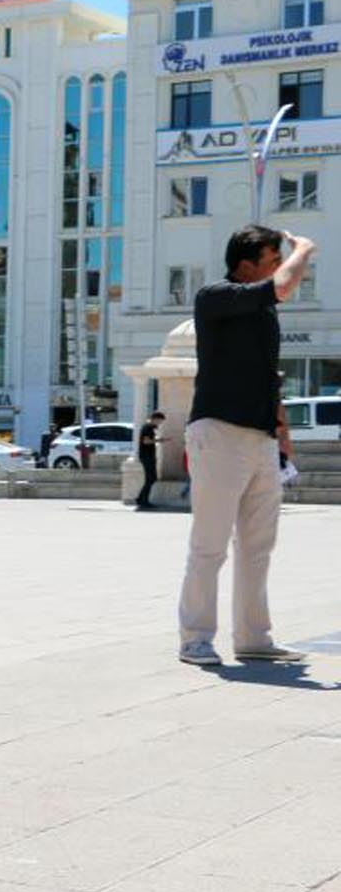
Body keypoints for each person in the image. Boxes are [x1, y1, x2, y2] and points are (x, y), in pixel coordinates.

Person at [176, 225, 316, 667]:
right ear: (246, 263)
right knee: (210, 543)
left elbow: (269, 379)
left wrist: (283, 440)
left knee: (258, 545)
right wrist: (305, 250)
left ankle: (254, 637)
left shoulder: (264, 314)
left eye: (281, 258)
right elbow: (284, 285)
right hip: (218, 432)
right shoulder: (215, 296)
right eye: (272, 258)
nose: (279, 266)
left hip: (260, 439)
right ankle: (195, 639)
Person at [135, 411, 163, 510]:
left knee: (151, 478)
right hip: (147, 456)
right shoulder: (147, 428)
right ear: (155, 419)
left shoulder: (150, 428)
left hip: (149, 455)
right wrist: (159, 440)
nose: (160, 423)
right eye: (160, 421)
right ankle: (143, 500)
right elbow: (146, 441)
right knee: (150, 478)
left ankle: (141, 498)